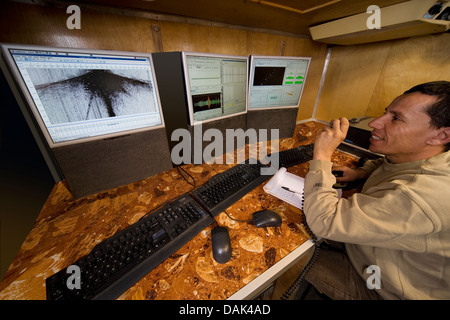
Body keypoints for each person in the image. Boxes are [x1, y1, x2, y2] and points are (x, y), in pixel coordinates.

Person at [302, 81, 450, 300]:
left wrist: (322, 155)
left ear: (441, 136)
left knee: (285, 262)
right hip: (372, 250)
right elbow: (397, 164)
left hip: (379, 285)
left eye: (396, 118)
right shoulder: (437, 158)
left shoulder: (421, 197)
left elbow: (325, 221)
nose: (374, 123)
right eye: (385, 113)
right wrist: (363, 173)